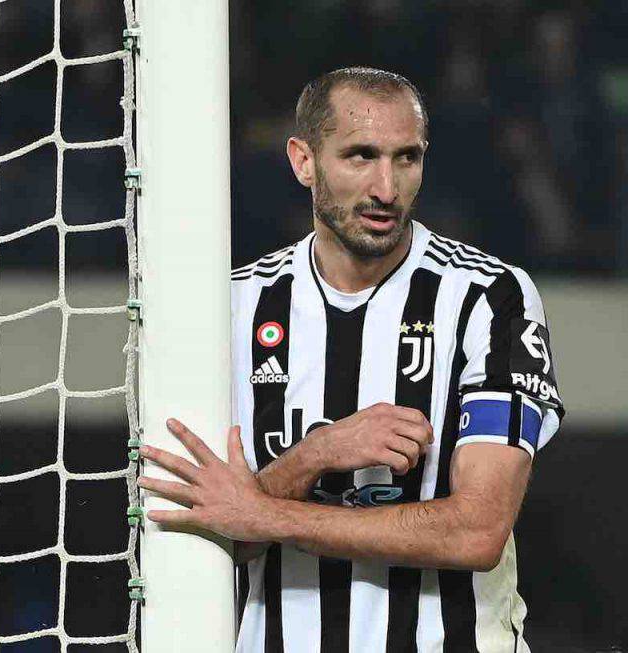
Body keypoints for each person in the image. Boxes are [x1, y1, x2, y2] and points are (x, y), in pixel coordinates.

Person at [136, 67, 564, 652]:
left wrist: (267, 514)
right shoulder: (233, 308)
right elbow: (204, 523)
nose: (386, 189)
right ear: (303, 161)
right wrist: (315, 455)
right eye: (360, 157)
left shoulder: (490, 297)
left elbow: (478, 530)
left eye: (406, 158)